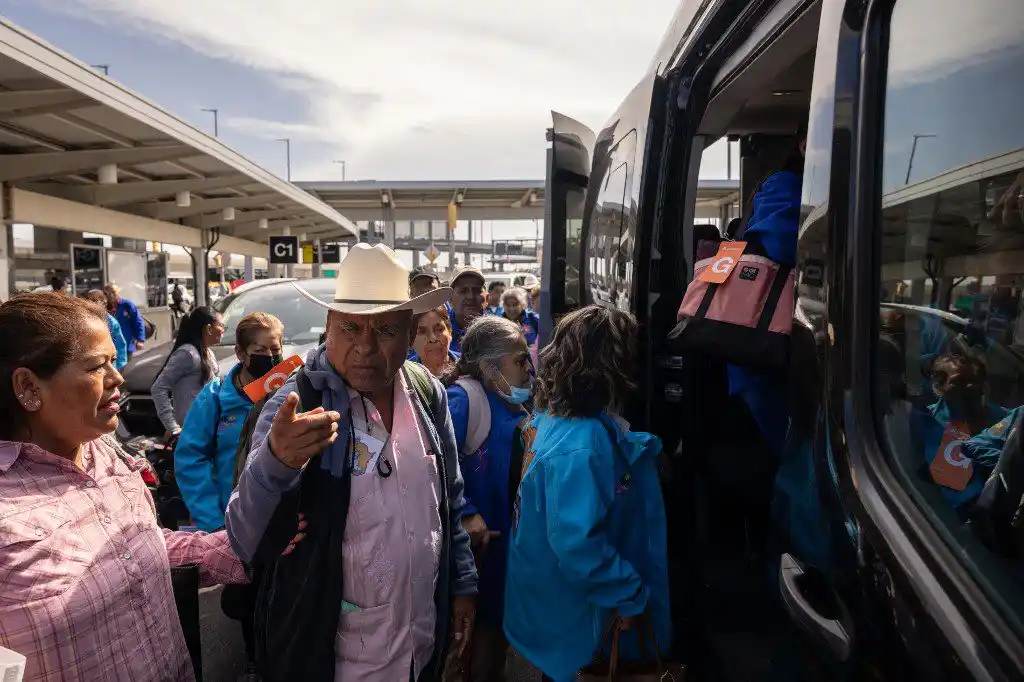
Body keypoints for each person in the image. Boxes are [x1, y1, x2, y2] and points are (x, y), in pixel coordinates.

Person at [225, 242, 478, 682]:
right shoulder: (295, 403)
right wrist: (276, 463)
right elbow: (244, 541)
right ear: (329, 326)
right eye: (350, 329)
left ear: (407, 331)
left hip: (418, 651)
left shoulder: (427, 393)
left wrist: (462, 584)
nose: (365, 347)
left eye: (384, 331)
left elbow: (449, 498)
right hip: (336, 663)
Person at [0, 292, 250, 682]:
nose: (118, 378)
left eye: (114, 361)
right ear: (28, 386)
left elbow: (137, 550)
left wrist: (248, 547)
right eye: (98, 367)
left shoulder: (107, 455)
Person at [504, 305, 671, 682]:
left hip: (550, 618)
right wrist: (627, 595)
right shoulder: (585, 443)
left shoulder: (549, 419)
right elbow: (577, 544)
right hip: (578, 628)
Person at [443, 316, 533, 681]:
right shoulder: (462, 401)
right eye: (519, 359)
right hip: (473, 560)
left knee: (492, 656)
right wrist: (467, 512)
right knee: (468, 655)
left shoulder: (515, 404)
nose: (529, 368)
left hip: (503, 562)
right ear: (488, 367)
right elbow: (428, 463)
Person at [174, 312, 284, 532]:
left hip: (279, 522)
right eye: (260, 350)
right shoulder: (215, 397)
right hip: (226, 523)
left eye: (274, 349)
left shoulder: (290, 393)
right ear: (241, 354)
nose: (269, 357)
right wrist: (214, 522)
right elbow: (191, 459)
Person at [152, 306, 224, 442]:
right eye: (221, 326)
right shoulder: (188, 354)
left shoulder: (208, 353)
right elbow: (158, 388)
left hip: (208, 429)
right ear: (209, 329)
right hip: (190, 434)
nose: (223, 330)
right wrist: (173, 428)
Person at [409, 305, 459, 377]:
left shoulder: (470, 365)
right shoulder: (406, 376)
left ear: (450, 332)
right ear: (411, 341)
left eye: (439, 329)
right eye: (422, 332)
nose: (432, 338)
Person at [85, 289, 129, 371]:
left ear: (103, 303)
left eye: (93, 302)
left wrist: (120, 365)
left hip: (109, 363)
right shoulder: (86, 319)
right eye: (88, 302)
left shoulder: (111, 322)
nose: (89, 305)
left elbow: (120, 345)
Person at [447, 265, 486, 354]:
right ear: (450, 298)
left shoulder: (498, 332)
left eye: (477, 290)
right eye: (463, 291)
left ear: (485, 297)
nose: (470, 296)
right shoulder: (439, 332)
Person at [104, 283, 147, 359]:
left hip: (127, 344)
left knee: (125, 368)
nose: (111, 296)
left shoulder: (127, 305)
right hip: (111, 347)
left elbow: (138, 321)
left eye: (113, 292)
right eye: (108, 294)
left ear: (117, 293)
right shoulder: (105, 308)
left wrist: (140, 340)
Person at [501, 287, 540, 366]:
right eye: (508, 305)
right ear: (503, 306)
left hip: (533, 367)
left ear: (522, 305)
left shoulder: (534, 319)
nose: (511, 308)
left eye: (515, 304)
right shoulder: (499, 323)